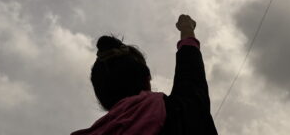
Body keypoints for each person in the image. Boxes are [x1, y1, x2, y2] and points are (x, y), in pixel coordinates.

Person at [71, 14, 218, 134]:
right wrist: (186, 28)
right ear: (147, 78)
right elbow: (190, 71)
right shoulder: (179, 112)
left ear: (102, 99)